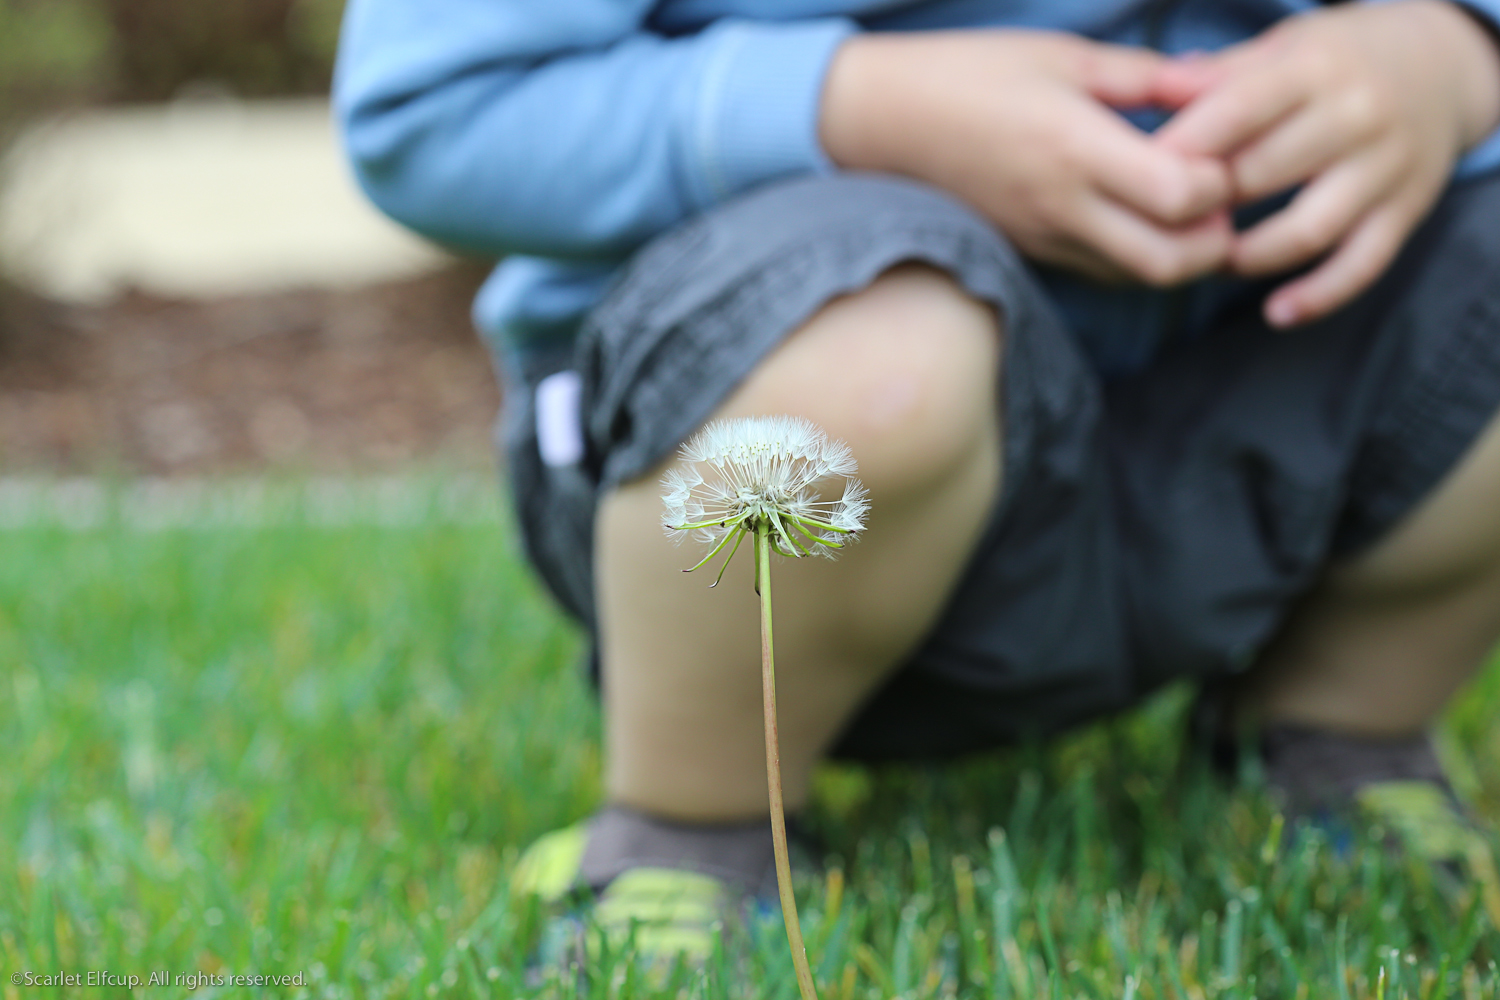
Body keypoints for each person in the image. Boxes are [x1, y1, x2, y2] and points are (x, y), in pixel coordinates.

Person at [335, 0, 1500, 962]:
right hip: (788, 428)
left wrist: (1453, 56)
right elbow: (430, 109)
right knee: (874, 366)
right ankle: (692, 826)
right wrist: (850, 106)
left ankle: (1339, 730)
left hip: (1275, 386)